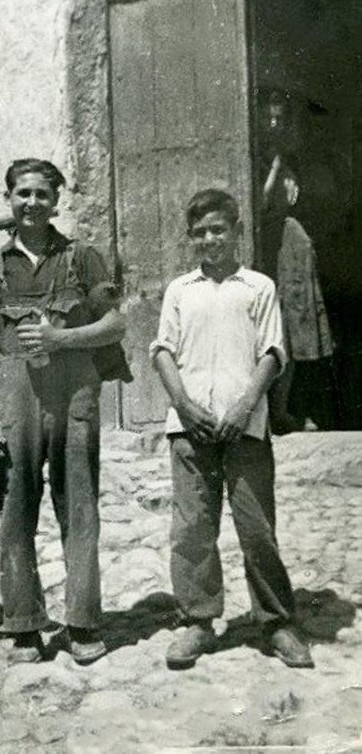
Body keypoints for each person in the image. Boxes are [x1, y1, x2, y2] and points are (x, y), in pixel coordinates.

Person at [0, 158, 127, 666]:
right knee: (16, 508)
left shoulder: (84, 259)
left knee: (79, 508)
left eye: (42, 194)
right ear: (9, 199)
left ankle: (82, 624)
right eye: (23, 193)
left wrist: (62, 338)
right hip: (15, 393)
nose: (32, 202)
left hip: (74, 389)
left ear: (56, 201)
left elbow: (116, 325)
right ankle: (23, 626)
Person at [151, 188, 312, 670]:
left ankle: (277, 621)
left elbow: (273, 353)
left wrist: (245, 407)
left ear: (237, 232)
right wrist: (183, 405)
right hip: (190, 427)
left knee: (257, 528)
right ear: (190, 239)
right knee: (193, 529)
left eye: (219, 230)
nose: (210, 240)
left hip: (245, 427)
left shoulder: (258, 287)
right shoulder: (180, 290)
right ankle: (198, 621)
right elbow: (162, 352)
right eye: (200, 233)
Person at [261, 154, 336, 433]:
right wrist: (276, 167)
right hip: (282, 281)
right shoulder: (263, 179)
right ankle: (279, 412)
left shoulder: (296, 219)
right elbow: (264, 201)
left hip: (299, 285)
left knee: (301, 349)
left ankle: (292, 412)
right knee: (282, 350)